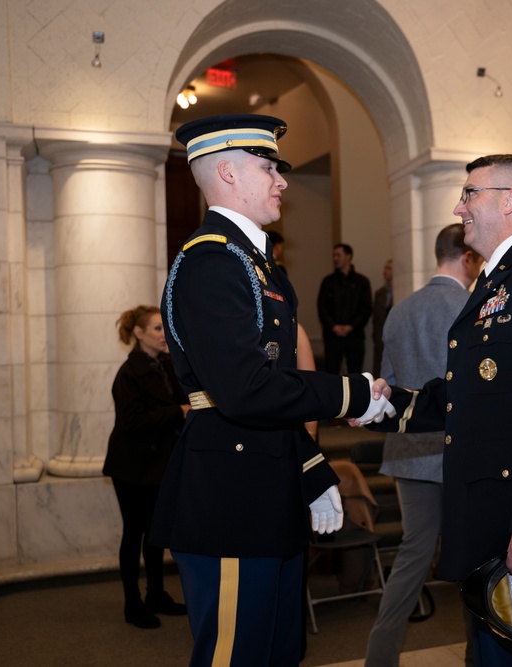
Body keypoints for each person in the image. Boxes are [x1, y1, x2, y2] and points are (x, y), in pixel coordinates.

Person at [153, 113, 394, 667]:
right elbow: (244, 391)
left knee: (280, 650)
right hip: (230, 496)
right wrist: (352, 394)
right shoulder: (212, 261)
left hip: (264, 482)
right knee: (238, 655)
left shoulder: (252, 261)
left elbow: (271, 395)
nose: (283, 180)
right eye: (270, 168)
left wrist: (310, 470)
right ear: (228, 174)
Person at [365, 155, 512, 666]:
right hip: (492, 524)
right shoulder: (497, 282)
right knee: (494, 649)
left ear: (511, 199)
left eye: (469, 194)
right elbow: (469, 395)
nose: (459, 207)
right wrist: (383, 407)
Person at [364, 224, 483, 667]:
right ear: (468, 257)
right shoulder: (472, 306)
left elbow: (389, 389)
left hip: (409, 450)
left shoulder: (399, 309)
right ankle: (480, 657)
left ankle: (380, 658)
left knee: (413, 556)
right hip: (458, 453)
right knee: (475, 561)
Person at [103, 305, 189, 629]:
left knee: (155, 534)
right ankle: (132, 603)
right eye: (157, 329)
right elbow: (132, 422)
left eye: (164, 327)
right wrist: (178, 411)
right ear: (138, 334)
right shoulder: (130, 373)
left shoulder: (165, 364)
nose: (164, 334)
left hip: (157, 464)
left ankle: (156, 594)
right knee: (134, 534)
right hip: (132, 466)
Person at [317, 243, 373, 374]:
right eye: (334, 255)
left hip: (355, 336)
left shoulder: (362, 281)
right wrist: (333, 326)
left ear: (348, 256)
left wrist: (351, 326)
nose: (335, 258)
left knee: (355, 373)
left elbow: (366, 308)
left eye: (338, 255)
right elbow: (322, 307)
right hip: (332, 336)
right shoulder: (328, 281)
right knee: (331, 373)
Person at [371, 259, 393, 377]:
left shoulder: (401, 292)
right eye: (385, 268)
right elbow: (376, 319)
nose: (386, 271)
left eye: (389, 268)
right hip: (380, 339)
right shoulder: (379, 293)